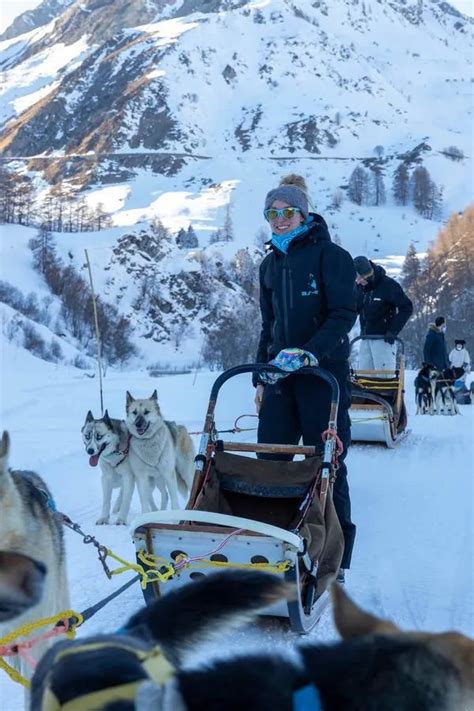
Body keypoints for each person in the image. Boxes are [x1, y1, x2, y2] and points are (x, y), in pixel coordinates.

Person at [253, 174, 357, 582]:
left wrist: (312, 351)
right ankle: (276, 540)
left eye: (287, 212)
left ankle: (336, 553)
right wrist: (261, 373)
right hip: (280, 378)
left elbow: (343, 314)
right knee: (270, 459)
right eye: (272, 213)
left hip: (321, 377)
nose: (280, 219)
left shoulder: (331, 256)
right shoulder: (269, 264)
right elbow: (269, 324)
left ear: (304, 214)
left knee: (328, 462)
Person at [354, 256, 413, 374]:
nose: (358, 281)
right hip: (365, 339)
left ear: (368, 275)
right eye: (356, 278)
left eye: (360, 277)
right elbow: (354, 309)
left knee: (383, 378)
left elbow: (406, 307)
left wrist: (393, 331)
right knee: (362, 379)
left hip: (383, 340)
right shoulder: (359, 288)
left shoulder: (388, 286)